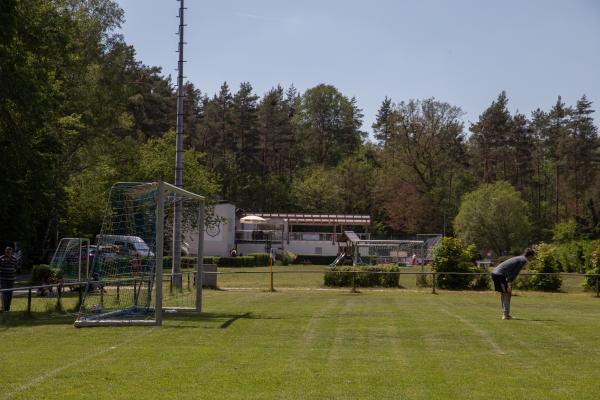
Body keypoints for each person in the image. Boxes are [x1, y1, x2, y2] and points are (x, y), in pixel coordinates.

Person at [491, 248, 536, 320]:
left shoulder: (520, 258)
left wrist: (508, 281)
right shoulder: (523, 260)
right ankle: (505, 316)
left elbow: (510, 269)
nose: (534, 258)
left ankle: (506, 314)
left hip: (495, 273)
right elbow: (515, 272)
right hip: (499, 275)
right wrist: (509, 282)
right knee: (507, 294)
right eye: (533, 256)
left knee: (504, 293)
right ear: (530, 255)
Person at [0, 246, 18, 317]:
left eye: (9, 252)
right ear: (5, 252)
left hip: (11, 279)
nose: (8, 253)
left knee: (10, 295)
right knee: (5, 294)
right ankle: (4, 309)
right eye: (7, 252)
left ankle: (7, 309)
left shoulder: (14, 259)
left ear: (11, 252)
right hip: (3, 279)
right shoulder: (1, 258)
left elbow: (16, 267)